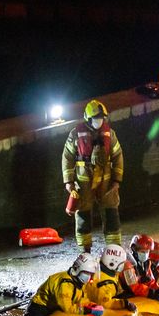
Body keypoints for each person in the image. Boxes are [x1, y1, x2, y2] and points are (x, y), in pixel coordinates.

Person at [62, 99, 123, 253]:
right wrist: (69, 182)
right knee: (83, 214)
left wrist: (116, 181)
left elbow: (118, 156)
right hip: (84, 183)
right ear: (88, 119)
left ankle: (114, 248)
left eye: (101, 119)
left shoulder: (110, 134)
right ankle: (85, 249)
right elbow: (67, 157)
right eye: (96, 119)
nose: (99, 122)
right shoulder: (76, 134)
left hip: (106, 182)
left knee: (111, 213)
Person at [23, 253, 102, 316]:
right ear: (78, 269)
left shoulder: (78, 282)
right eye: (87, 273)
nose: (89, 277)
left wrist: (92, 305)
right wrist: (87, 311)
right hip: (38, 312)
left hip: (51, 308)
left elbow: (81, 299)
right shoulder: (64, 284)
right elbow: (67, 308)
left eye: (91, 274)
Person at [119, 234, 159, 305]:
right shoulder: (127, 265)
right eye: (143, 252)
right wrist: (153, 294)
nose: (146, 254)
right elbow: (134, 287)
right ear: (134, 249)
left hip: (140, 291)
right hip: (128, 293)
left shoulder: (147, 263)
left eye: (147, 252)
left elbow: (150, 281)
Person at [86, 244, 137, 312]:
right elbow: (104, 304)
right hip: (95, 305)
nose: (123, 265)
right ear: (113, 263)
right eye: (121, 263)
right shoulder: (106, 284)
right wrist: (124, 304)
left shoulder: (103, 270)